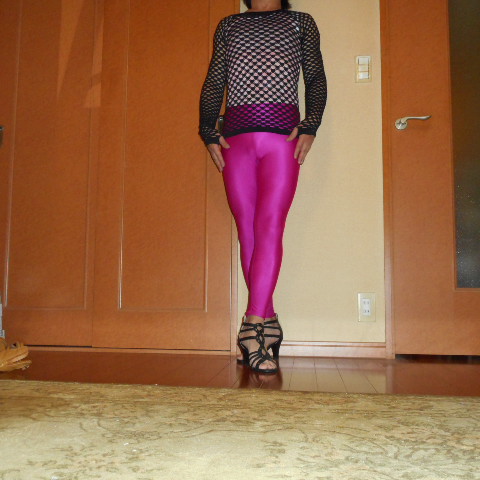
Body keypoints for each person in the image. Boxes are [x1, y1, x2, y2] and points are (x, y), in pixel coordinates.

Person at [198, 0, 327, 374]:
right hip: (235, 139)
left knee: (269, 225)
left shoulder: (300, 22)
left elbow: (315, 77)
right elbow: (215, 80)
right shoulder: (229, 25)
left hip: (282, 138)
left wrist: (311, 124)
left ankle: (251, 327)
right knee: (248, 231)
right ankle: (268, 322)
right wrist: (207, 129)